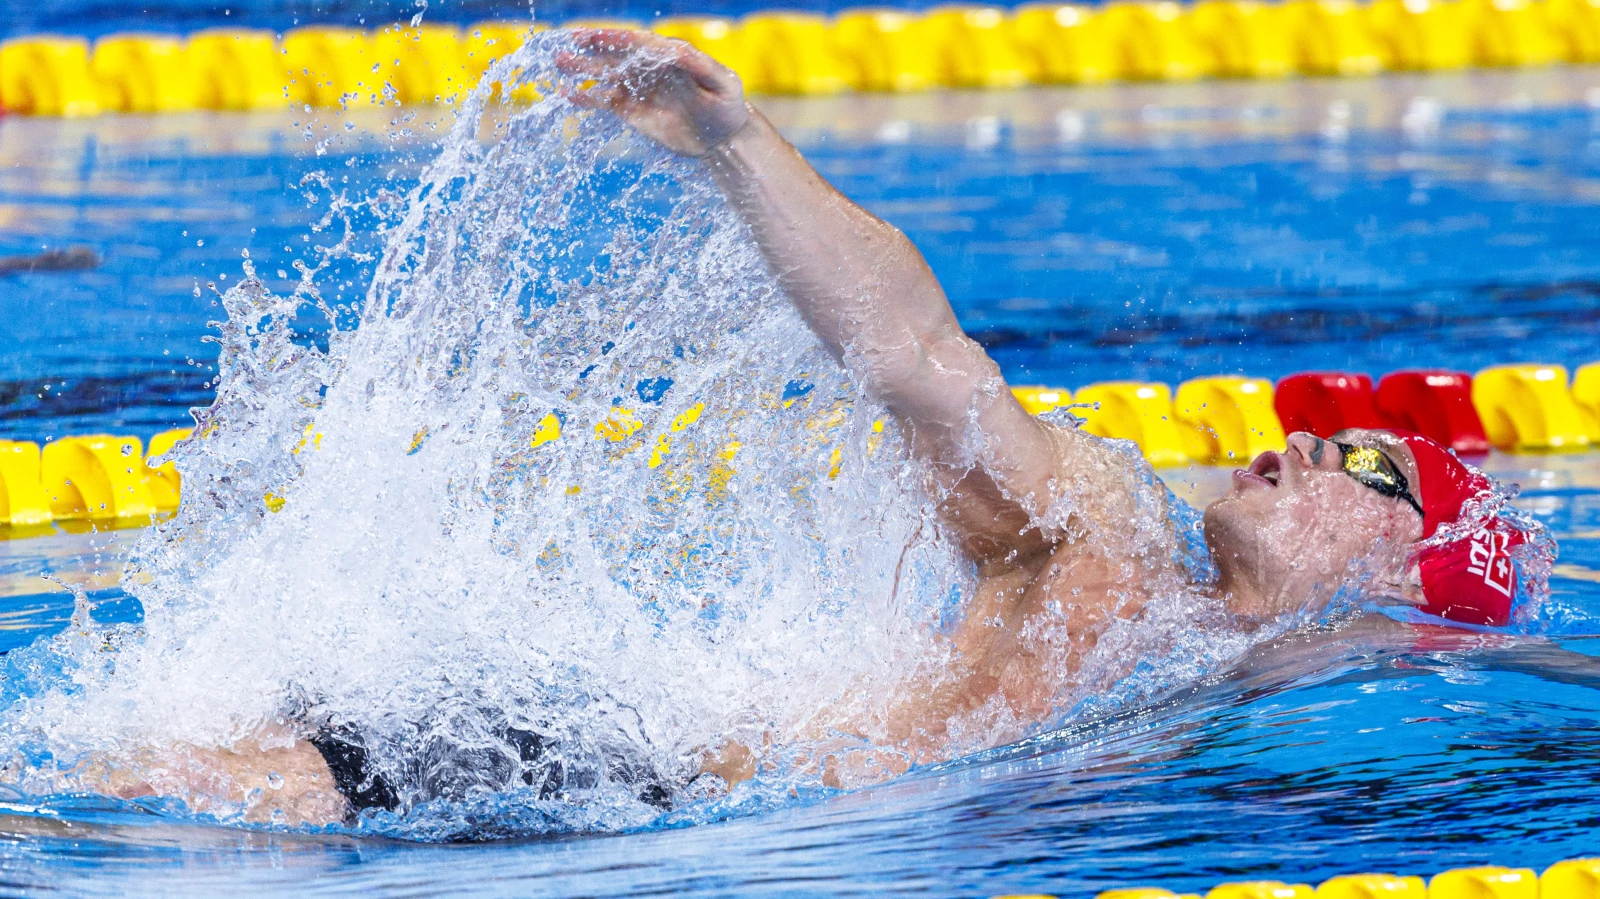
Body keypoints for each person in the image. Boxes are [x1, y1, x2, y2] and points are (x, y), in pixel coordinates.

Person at [75, 28, 1544, 826]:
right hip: (597, 783)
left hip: (639, 811)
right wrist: (738, 141)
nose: (1293, 447)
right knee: (134, 816)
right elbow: (920, 357)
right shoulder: (1102, 538)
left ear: (1410, 565)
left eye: (1366, 459)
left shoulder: (1273, 662)